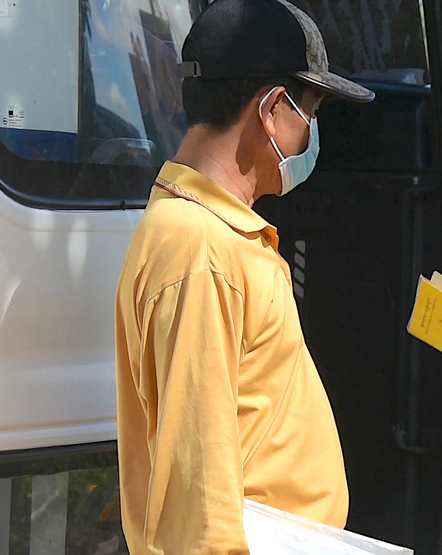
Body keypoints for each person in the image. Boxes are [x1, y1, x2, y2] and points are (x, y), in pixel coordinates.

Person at [113, 0, 374, 552]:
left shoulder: (212, 233)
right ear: (273, 108)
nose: (311, 135)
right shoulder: (200, 249)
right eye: (312, 112)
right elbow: (197, 487)